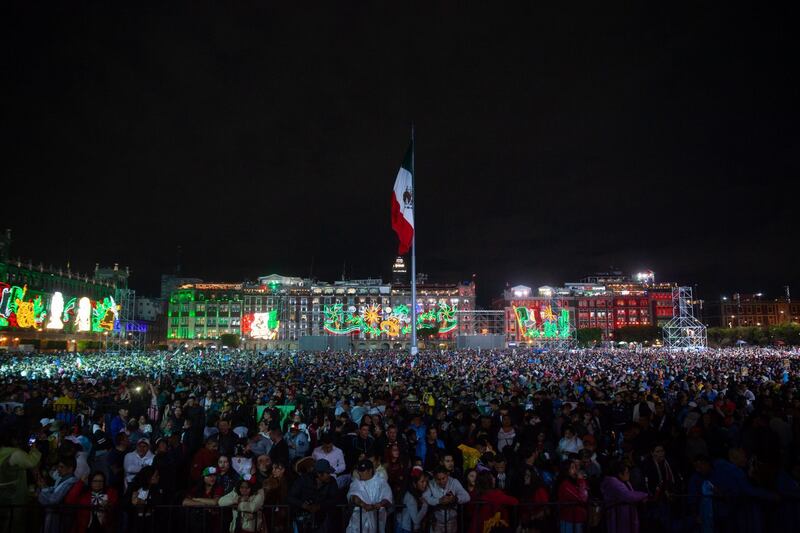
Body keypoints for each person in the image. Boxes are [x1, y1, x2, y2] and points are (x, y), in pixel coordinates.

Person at [0, 432, 42, 533]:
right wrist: (34, 449)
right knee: (14, 521)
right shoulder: (15, 453)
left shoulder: (2, 451)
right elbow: (32, 462)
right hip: (13, 495)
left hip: (2, 493)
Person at [287, 459, 339, 533]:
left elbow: (335, 499)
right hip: (302, 519)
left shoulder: (332, 481)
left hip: (323, 519)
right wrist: (304, 505)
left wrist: (319, 506)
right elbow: (290, 497)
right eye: (327, 473)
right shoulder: (303, 479)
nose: (329, 475)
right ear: (319, 474)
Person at [346, 459, 393, 533]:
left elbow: (387, 497)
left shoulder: (380, 481)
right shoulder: (356, 483)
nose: (360, 473)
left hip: (376, 520)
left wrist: (379, 504)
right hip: (358, 521)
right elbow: (354, 497)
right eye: (359, 471)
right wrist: (364, 505)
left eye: (362, 471)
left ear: (370, 470)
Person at [600, 461, 648, 533]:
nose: (629, 474)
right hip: (617, 515)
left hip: (624, 514)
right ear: (620, 474)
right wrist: (644, 495)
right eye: (627, 472)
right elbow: (628, 495)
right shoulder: (613, 482)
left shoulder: (624, 481)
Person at [38, 455, 79, 533]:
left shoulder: (70, 482)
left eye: (61, 467)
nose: (58, 469)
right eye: (58, 467)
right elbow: (53, 491)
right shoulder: (63, 479)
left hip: (59, 517)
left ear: (70, 469)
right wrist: (44, 487)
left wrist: (44, 489)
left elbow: (54, 500)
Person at [423, 465, 471, 533]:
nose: (441, 481)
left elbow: (467, 497)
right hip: (436, 523)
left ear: (447, 475)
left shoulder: (454, 482)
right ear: (434, 477)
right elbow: (426, 498)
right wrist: (439, 501)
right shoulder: (431, 483)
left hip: (452, 523)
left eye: (443, 478)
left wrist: (455, 499)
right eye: (438, 479)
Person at [126, 466, 165, 532]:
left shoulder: (157, 489)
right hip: (134, 521)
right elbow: (124, 503)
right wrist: (132, 501)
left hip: (151, 522)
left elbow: (158, 502)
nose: (159, 477)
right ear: (149, 477)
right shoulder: (134, 487)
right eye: (156, 476)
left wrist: (144, 502)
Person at [556, 458, 589, 533]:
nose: (576, 470)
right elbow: (582, 499)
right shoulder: (565, 485)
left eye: (575, 467)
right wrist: (581, 481)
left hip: (577, 519)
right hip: (569, 521)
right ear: (566, 470)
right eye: (572, 468)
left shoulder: (575, 482)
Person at [397, 467, 429, 533]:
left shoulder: (412, 493)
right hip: (405, 529)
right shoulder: (410, 497)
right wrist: (425, 506)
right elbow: (416, 520)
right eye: (422, 481)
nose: (425, 484)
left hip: (404, 526)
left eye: (426, 481)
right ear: (414, 483)